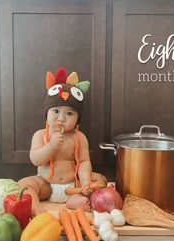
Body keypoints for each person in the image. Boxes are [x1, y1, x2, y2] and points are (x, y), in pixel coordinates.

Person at [18, 67, 107, 216]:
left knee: (101, 180)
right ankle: (36, 208)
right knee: (24, 185)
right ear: (47, 114)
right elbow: (36, 160)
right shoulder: (40, 135)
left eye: (69, 113)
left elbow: (84, 162)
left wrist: (85, 181)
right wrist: (51, 146)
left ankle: (75, 200)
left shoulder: (79, 137)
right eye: (56, 111)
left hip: (73, 185)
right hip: (46, 185)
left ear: (77, 119)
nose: (61, 118)